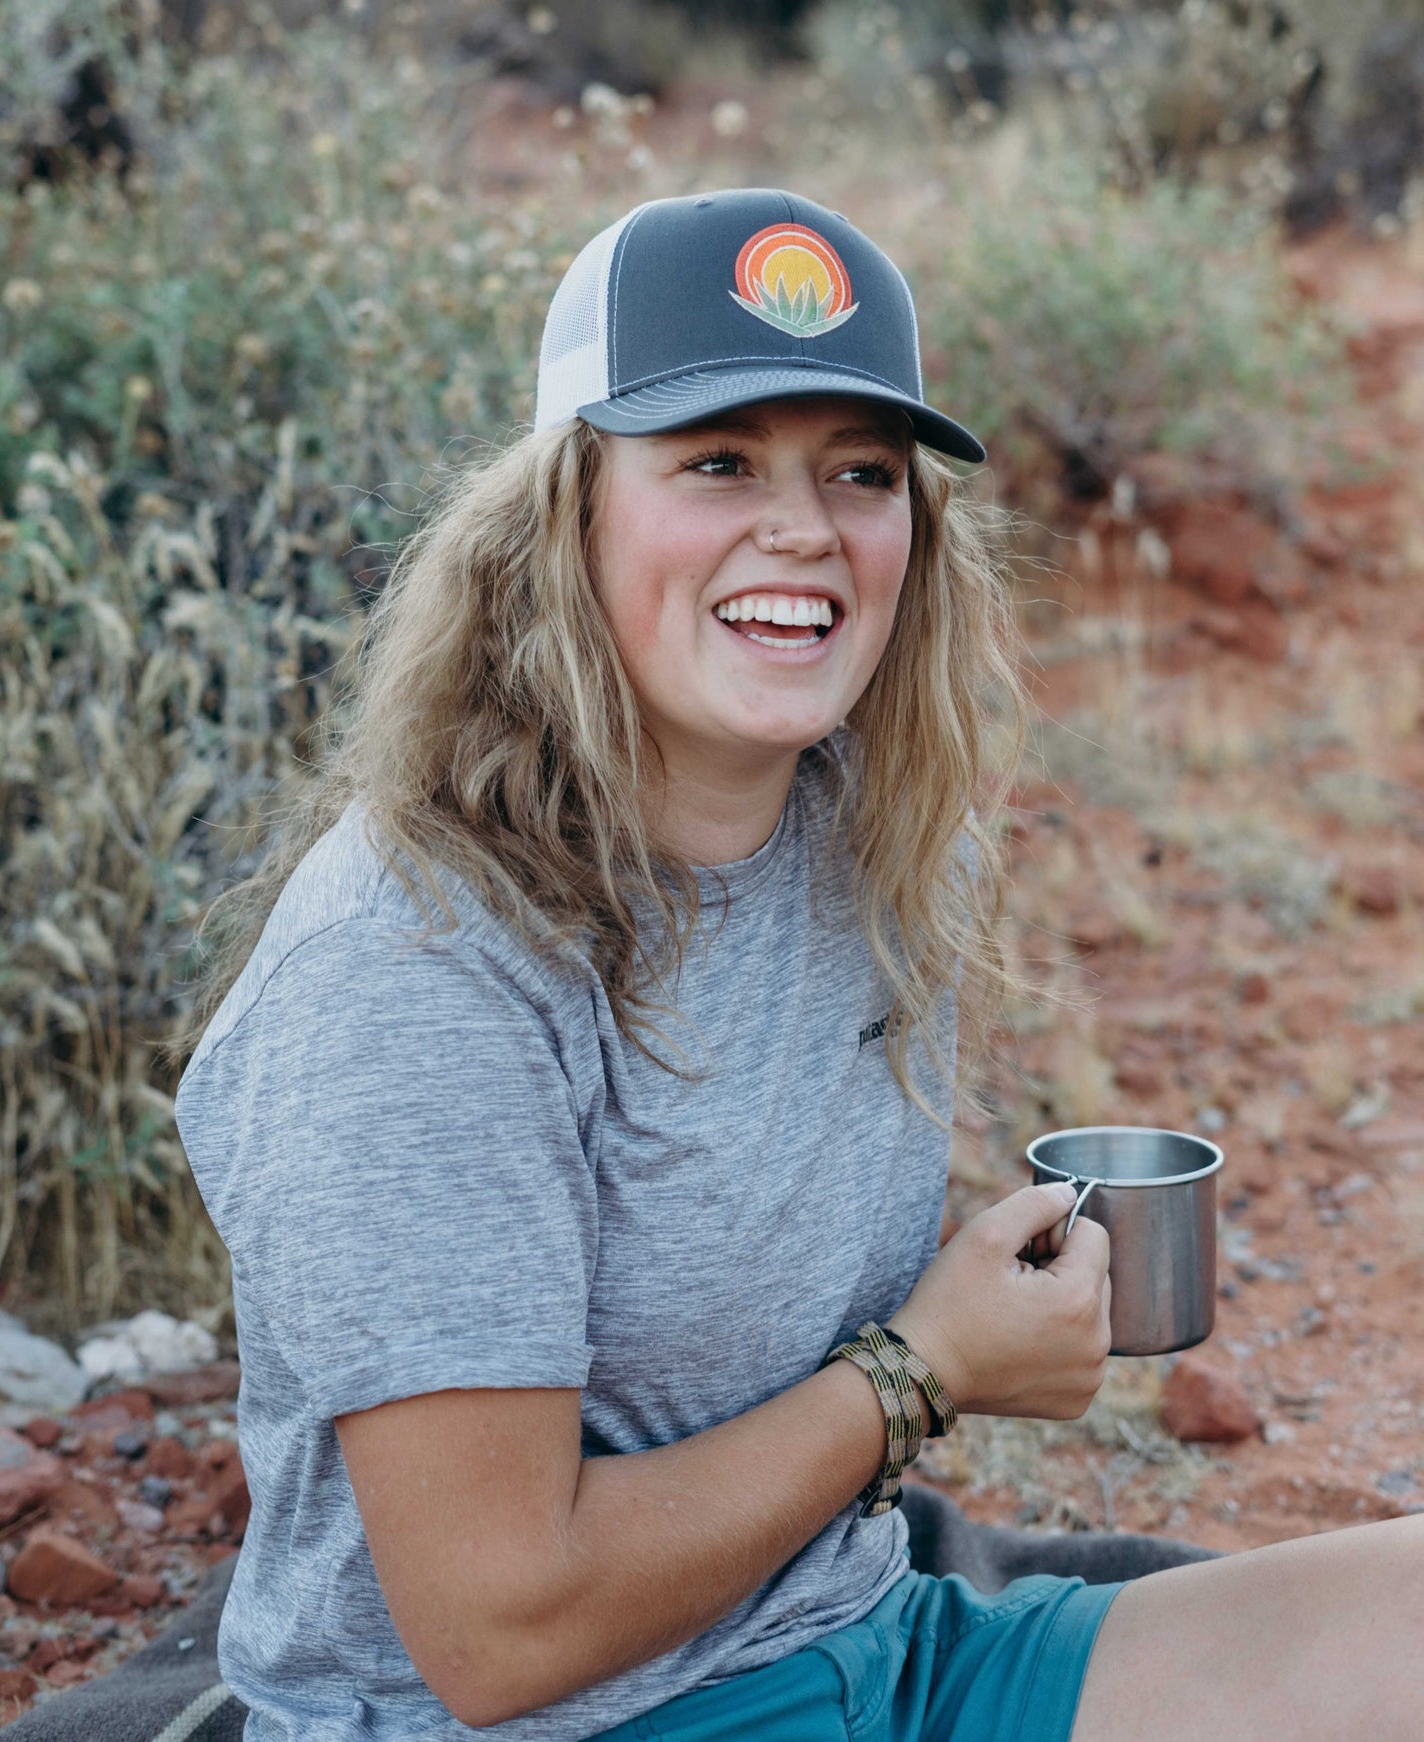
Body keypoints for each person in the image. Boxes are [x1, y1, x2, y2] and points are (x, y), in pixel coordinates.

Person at [173, 189, 1422, 1742]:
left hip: (867, 1652)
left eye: (859, 472)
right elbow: (496, 1627)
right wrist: (923, 1373)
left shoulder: (880, 844)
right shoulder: (416, 966)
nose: (803, 528)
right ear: (563, 515)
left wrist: (991, 1312)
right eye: (716, 461)